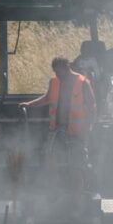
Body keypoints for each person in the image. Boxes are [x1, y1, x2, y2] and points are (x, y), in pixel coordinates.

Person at [19, 56, 96, 190]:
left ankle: (77, 197)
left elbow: (92, 107)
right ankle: (53, 193)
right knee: (51, 162)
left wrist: (89, 127)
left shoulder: (82, 82)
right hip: (56, 130)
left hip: (76, 132)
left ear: (67, 68)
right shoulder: (54, 82)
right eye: (55, 72)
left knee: (76, 165)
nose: (57, 75)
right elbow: (47, 98)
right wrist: (29, 104)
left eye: (59, 72)